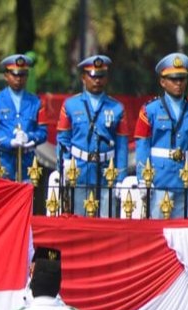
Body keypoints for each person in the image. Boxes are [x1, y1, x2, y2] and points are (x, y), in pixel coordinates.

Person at [134, 53, 188, 218]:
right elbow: (142, 146)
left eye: (182, 79)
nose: (178, 83)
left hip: (187, 180)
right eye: (173, 79)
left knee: (184, 234)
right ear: (163, 82)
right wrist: (142, 179)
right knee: (159, 233)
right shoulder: (149, 110)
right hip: (159, 179)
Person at [55, 55, 129, 216]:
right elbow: (63, 139)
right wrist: (63, 165)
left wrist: (121, 177)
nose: (97, 81)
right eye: (93, 76)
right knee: (78, 220)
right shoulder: (70, 105)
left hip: (106, 172)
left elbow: (122, 145)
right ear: (83, 78)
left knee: (105, 221)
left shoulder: (117, 107)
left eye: (101, 76)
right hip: (79, 170)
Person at [0, 54, 48, 181]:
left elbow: (43, 132)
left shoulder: (36, 102)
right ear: (6, 76)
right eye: (14, 74)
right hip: (1, 161)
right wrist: (9, 142)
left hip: (27, 163)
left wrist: (29, 137)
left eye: (22, 74)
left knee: (28, 199)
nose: (18, 78)